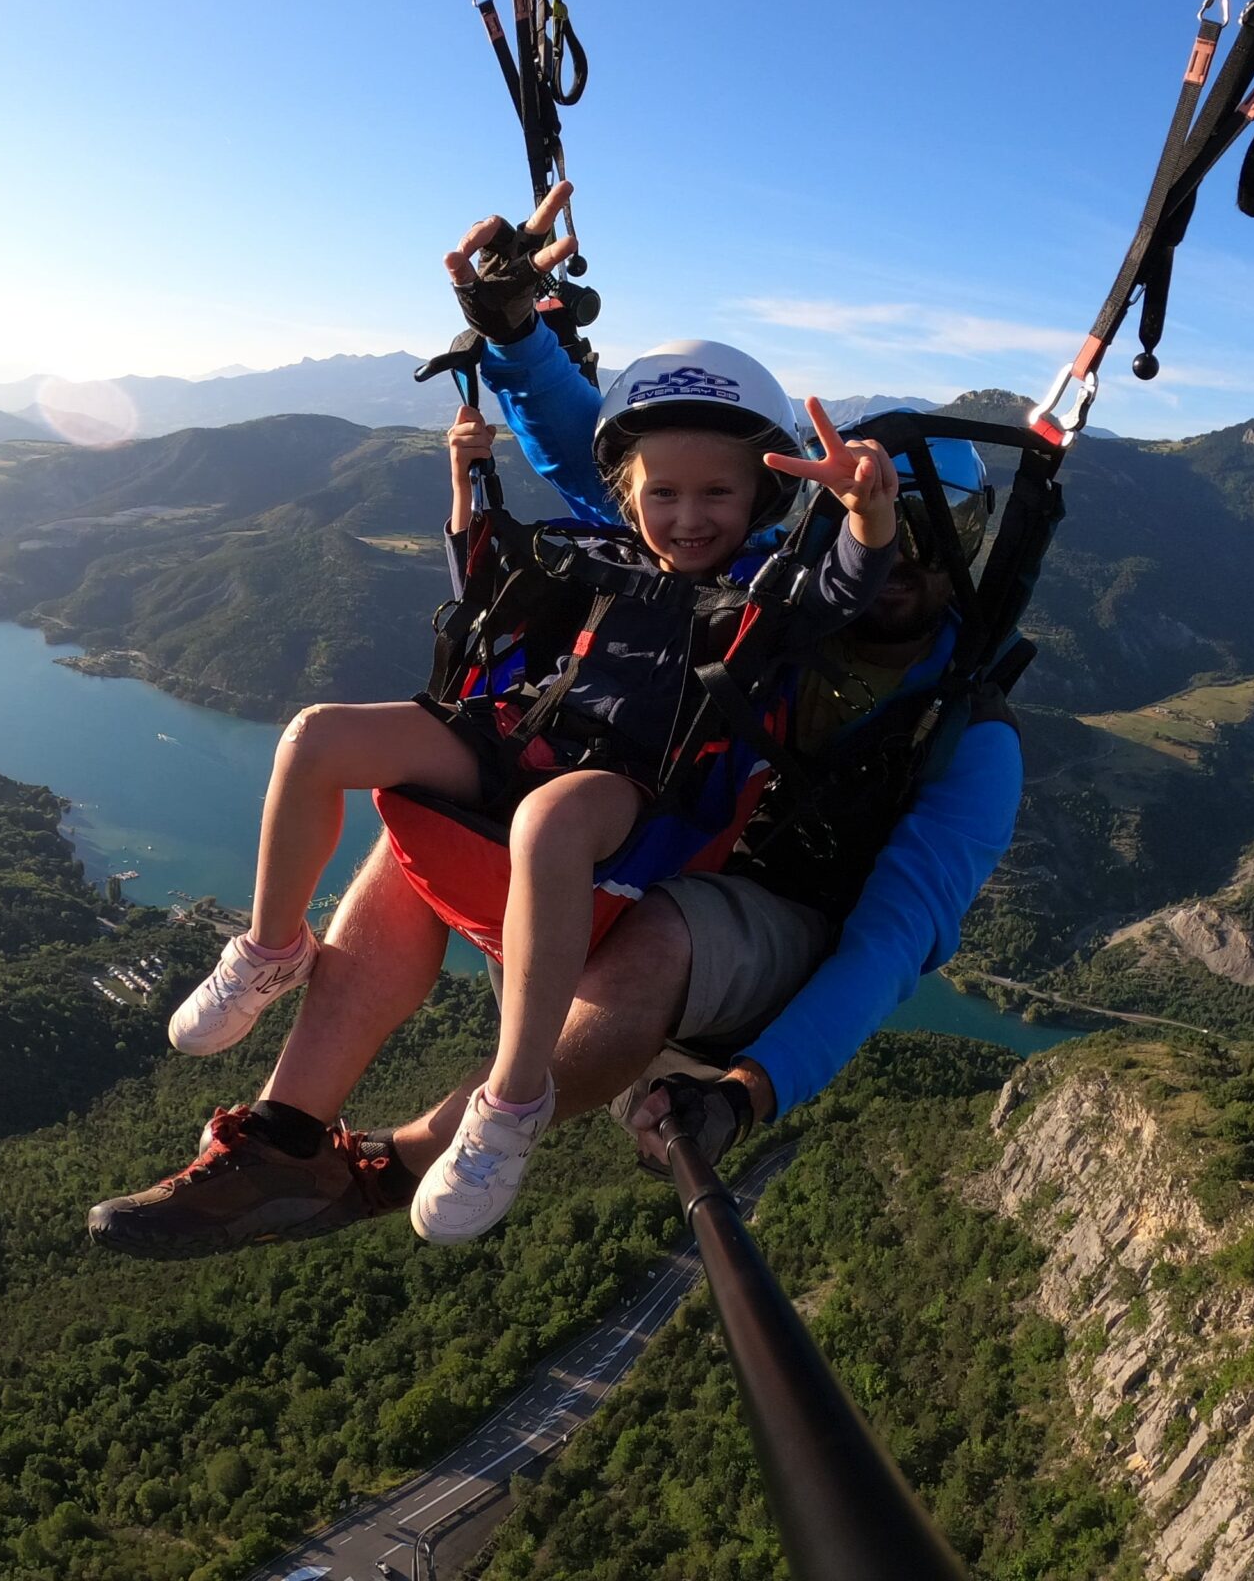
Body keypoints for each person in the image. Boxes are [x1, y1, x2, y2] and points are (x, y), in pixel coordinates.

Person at [87, 182, 1023, 1256]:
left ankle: (410, 1158)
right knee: (432, 808)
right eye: (883, 531)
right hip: (644, 812)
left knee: (646, 921)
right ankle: (283, 1133)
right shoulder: (738, 574)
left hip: (756, 906)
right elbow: (625, 471)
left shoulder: (957, 733)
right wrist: (516, 334)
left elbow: (889, 942)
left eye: (926, 537)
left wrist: (750, 1091)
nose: (900, 560)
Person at [145, 338, 900, 1243]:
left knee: (545, 820)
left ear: (763, 499)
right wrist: (466, 489)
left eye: (718, 495)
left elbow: (839, 593)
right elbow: (486, 604)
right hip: (524, 739)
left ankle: (508, 1105)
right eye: (663, 494)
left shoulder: (761, 595)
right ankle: (271, 949)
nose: (689, 518)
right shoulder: (600, 560)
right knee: (317, 736)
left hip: (632, 788)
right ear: (628, 496)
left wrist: (866, 518)